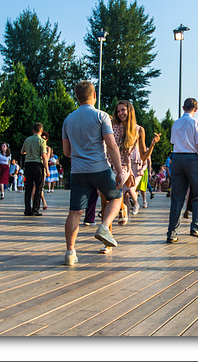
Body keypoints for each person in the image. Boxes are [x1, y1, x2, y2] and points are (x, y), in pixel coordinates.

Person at [62, 81, 125, 263]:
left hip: (78, 171)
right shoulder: (101, 116)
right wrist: (119, 171)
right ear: (94, 95)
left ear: (77, 97)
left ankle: (70, 253)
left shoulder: (68, 120)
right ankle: (104, 226)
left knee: (75, 212)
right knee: (117, 195)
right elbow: (112, 145)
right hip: (100, 168)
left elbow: (67, 152)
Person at [166, 98, 198, 243]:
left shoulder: (176, 123)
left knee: (177, 199)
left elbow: (174, 142)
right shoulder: (195, 123)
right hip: (192, 159)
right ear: (196, 109)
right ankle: (196, 227)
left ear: (183, 108)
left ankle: (172, 234)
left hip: (177, 159)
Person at [109, 100, 161, 224]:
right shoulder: (113, 126)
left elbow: (143, 156)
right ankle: (123, 213)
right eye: (118, 111)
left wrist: (152, 145)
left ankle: (123, 213)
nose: (120, 113)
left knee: (123, 189)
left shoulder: (139, 130)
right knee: (119, 192)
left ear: (130, 111)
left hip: (127, 166)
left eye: (123, 110)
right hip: (112, 163)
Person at [21, 123, 49, 216]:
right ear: (41, 131)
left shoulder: (27, 140)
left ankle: (27, 209)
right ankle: (35, 209)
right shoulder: (41, 141)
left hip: (28, 164)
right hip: (37, 164)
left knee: (28, 188)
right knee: (38, 187)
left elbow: (22, 151)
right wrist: (47, 169)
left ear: (33, 130)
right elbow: (44, 156)